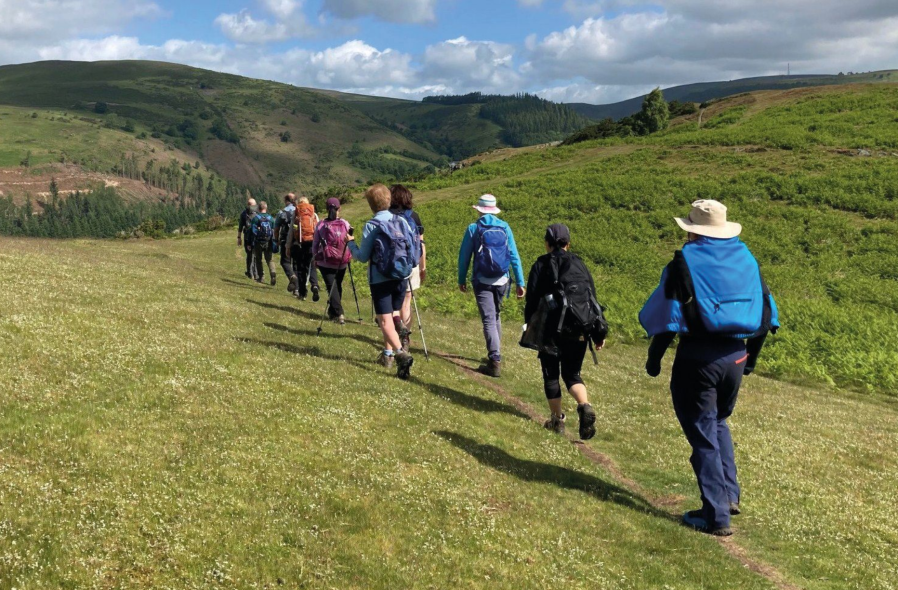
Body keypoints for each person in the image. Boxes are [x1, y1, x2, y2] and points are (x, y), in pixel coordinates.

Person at [639, 200, 779, 537]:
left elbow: (667, 319)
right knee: (718, 422)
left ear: (692, 230)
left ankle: (715, 516)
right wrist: (751, 361)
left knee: (702, 433)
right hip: (737, 354)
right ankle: (728, 495)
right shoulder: (747, 259)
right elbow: (765, 315)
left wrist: (654, 359)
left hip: (698, 358)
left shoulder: (684, 262)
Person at [523, 224, 603, 440]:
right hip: (578, 328)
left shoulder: (541, 263)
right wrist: (597, 332)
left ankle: (557, 420)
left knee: (551, 374)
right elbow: (592, 298)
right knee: (572, 374)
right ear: (568, 243)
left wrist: (529, 323)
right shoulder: (579, 263)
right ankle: (584, 405)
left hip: (551, 329)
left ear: (547, 243)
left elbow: (532, 298)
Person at [347, 184, 417, 380]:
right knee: (394, 314)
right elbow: (412, 249)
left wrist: (350, 242)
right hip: (401, 276)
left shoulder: (372, 225)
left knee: (383, 320)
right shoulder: (402, 221)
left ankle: (400, 354)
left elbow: (362, 257)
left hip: (380, 278)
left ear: (370, 204)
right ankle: (399, 326)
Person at [457, 194, 526, 378]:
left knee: (488, 319)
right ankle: (494, 355)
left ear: (478, 210)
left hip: (482, 280)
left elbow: (464, 257)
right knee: (495, 316)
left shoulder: (473, 228)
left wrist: (461, 279)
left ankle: (494, 360)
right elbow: (513, 256)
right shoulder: (504, 227)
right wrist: (520, 282)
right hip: (503, 279)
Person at [390, 184, 426, 352]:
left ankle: (392, 337)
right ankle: (405, 338)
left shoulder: (387, 215)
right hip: (410, 265)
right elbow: (421, 244)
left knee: (392, 303)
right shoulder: (415, 217)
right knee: (406, 302)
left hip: (390, 265)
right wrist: (422, 267)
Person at [313, 197, 352, 325]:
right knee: (337, 285)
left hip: (326, 261)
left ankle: (339, 313)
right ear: (339, 208)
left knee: (332, 287)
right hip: (342, 261)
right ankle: (333, 312)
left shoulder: (321, 225)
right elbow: (350, 239)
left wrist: (315, 257)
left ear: (326, 208)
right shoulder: (346, 224)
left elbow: (315, 244)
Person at [287, 197, 321, 302]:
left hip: (299, 245)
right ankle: (315, 285)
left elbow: (291, 232)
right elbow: (318, 230)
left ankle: (302, 293)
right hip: (312, 244)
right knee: (312, 266)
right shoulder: (313, 215)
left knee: (301, 269)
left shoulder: (297, 215)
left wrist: (288, 246)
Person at [274, 193, 298, 294]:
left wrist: (276, 239)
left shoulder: (282, 213)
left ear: (285, 200)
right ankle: (297, 289)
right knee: (296, 263)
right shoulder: (300, 211)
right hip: (298, 240)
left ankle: (292, 276)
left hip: (285, 240)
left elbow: (276, 229)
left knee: (285, 262)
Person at [250, 201, 278, 286]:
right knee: (269, 259)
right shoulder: (271, 218)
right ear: (266, 208)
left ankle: (261, 277)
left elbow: (253, 230)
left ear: (259, 208)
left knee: (258, 259)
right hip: (268, 241)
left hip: (258, 242)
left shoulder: (256, 218)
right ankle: (273, 274)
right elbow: (274, 230)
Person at [237, 198, 258, 279]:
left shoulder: (244, 213)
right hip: (257, 237)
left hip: (247, 237)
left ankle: (250, 272)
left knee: (249, 255)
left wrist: (239, 237)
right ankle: (256, 273)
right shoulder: (258, 212)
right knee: (256, 255)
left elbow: (240, 227)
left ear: (248, 204)